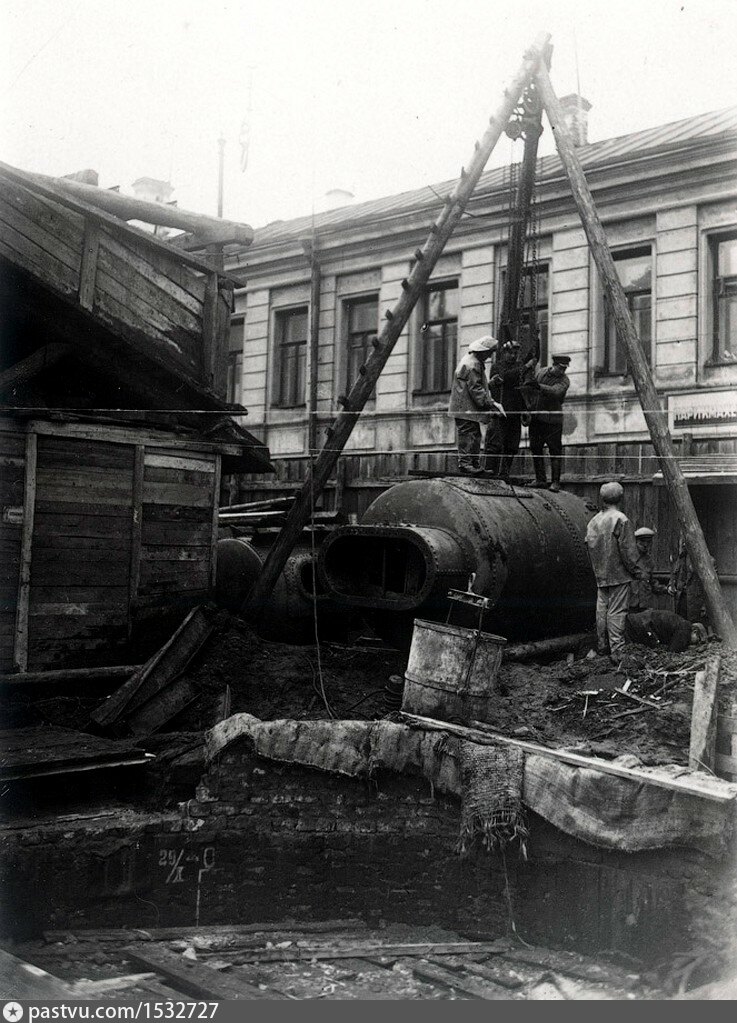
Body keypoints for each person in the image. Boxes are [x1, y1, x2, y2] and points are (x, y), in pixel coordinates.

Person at [584, 481, 643, 664]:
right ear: (620, 497)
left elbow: (589, 548)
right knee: (617, 613)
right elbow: (628, 550)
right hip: (618, 574)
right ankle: (617, 652)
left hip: (601, 575)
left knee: (601, 611)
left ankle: (602, 647)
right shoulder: (620, 519)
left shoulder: (594, 521)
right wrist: (636, 570)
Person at [448, 335, 504, 475]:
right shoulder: (473, 365)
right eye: (489, 352)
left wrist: (490, 384)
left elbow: (472, 385)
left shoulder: (469, 361)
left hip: (465, 408)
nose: (490, 356)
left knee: (474, 434)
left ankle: (473, 464)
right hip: (465, 409)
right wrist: (491, 404)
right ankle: (466, 464)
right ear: (483, 351)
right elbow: (476, 390)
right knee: (468, 435)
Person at [487, 339, 538, 480]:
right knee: (495, 444)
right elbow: (505, 378)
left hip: (514, 413)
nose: (513, 356)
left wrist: (524, 409)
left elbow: (522, 390)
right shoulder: (497, 367)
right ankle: (489, 473)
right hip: (500, 412)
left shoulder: (519, 367)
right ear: (504, 353)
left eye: (515, 353)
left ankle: (504, 474)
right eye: (510, 353)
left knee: (512, 446)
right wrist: (525, 368)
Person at [528, 355, 570, 492]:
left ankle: (555, 482)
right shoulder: (541, 372)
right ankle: (540, 479)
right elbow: (532, 392)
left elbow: (556, 392)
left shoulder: (564, 380)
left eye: (564, 369)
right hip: (537, 419)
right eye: (560, 368)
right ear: (554, 365)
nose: (562, 371)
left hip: (553, 421)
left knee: (555, 451)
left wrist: (538, 386)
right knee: (535, 448)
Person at [625, 609, 707, 653]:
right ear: (695, 632)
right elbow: (673, 651)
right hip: (641, 625)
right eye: (698, 640)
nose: (696, 643)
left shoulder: (682, 624)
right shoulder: (685, 629)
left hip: (637, 621)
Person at [629, 526, 668, 613]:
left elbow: (652, 582)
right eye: (642, 542)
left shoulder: (648, 561)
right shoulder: (628, 559)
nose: (645, 545)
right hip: (629, 605)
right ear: (635, 542)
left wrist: (665, 589)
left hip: (645, 605)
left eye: (648, 542)